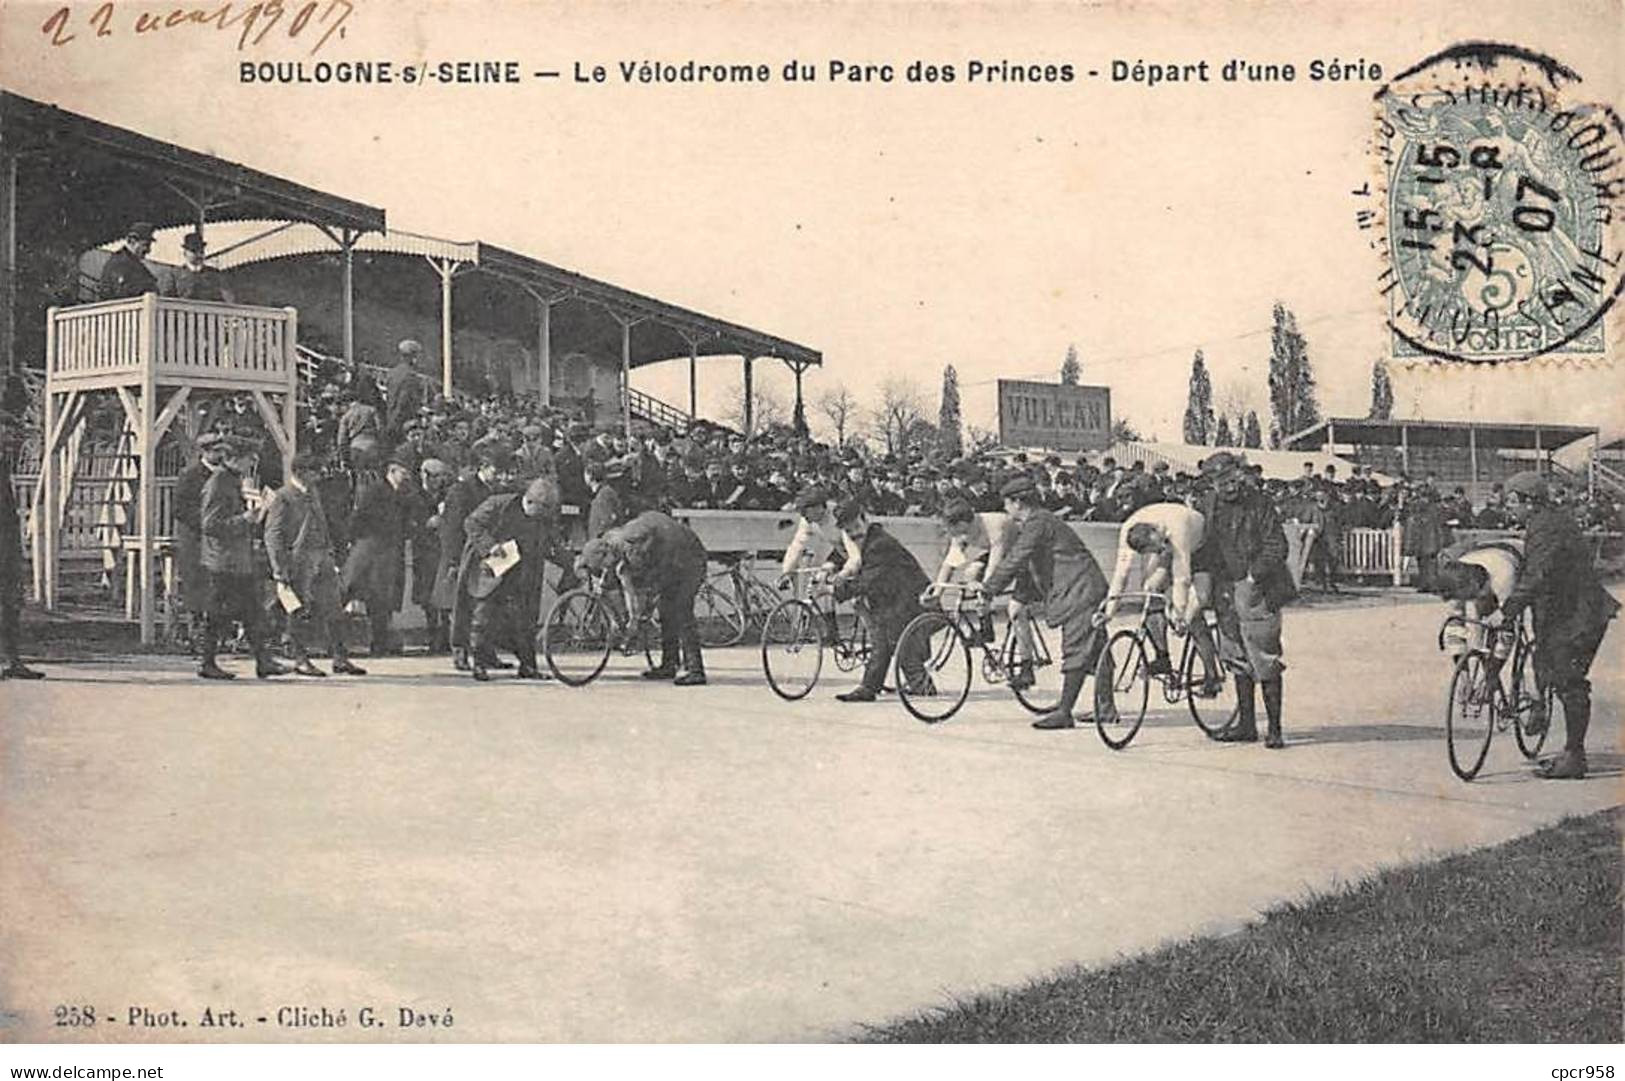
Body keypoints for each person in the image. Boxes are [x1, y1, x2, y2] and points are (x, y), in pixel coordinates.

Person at [1495, 470, 1620, 780]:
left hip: (1579, 616)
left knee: (1570, 681)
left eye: (1512, 502)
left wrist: (1508, 610)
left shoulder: (1547, 527)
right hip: (1563, 613)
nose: (1509, 508)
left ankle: (1575, 757)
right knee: (1547, 663)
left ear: (1529, 501)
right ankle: (1540, 712)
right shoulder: (1545, 521)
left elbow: (1539, 574)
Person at [980, 475, 1109, 730]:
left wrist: (989, 588)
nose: (1005, 509)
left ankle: (1064, 711)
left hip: (1078, 590)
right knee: (1097, 650)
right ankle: (1106, 709)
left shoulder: (1037, 522)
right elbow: (1026, 564)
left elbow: (1017, 557)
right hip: (1084, 586)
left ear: (1017, 502)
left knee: (1076, 650)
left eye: (1007, 503)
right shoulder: (1040, 522)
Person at [1198, 452, 1294, 748]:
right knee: (1235, 656)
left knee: (1264, 658)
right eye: (1221, 482)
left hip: (1259, 588)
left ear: (1240, 474)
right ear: (1212, 484)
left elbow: (1277, 546)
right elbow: (1203, 547)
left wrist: (1253, 578)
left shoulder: (1260, 503)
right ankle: (1247, 725)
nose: (1229, 487)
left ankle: (1275, 729)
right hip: (1225, 588)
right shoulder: (1209, 505)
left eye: (1232, 479)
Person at [263, 451, 367, 677]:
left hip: (322, 557)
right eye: (315, 472)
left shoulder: (314, 493)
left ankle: (340, 658)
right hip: (298, 560)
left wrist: (331, 551)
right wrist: (279, 568)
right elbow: (273, 535)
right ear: (300, 472)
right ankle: (300, 658)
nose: (319, 476)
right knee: (297, 609)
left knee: (334, 607)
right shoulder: (283, 497)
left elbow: (322, 524)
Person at [579, 509, 709, 686]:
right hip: (673, 557)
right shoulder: (615, 541)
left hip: (689, 560)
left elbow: (640, 590)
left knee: (681, 612)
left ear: (606, 554)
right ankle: (669, 664)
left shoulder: (632, 548)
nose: (605, 569)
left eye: (603, 565)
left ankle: (696, 670)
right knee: (666, 613)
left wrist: (637, 621)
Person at [1101, 500, 1219, 692]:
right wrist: (1109, 612)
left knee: (1195, 608)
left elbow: (1182, 577)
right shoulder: (1128, 531)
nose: (1155, 552)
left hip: (1201, 544)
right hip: (1167, 541)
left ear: (1155, 533)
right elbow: (1120, 576)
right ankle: (1162, 656)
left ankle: (1211, 674)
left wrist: (1182, 613)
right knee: (1150, 589)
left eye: (1155, 548)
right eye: (1150, 552)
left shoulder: (1176, 529)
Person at [460, 477, 572, 680]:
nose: (542, 519)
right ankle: (479, 664)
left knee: (526, 619)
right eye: (539, 513)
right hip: (495, 565)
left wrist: (570, 561)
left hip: (525, 571)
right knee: (484, 616)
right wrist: (490, 546)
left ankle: (528, 666)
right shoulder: (499, 503)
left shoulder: (544, 515)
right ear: (528, 501)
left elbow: (551, 544)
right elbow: (471, 523)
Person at [197, 437, 288, 679]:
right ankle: (208, 662)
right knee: (219, 612)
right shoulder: (218, 483)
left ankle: (262, 660)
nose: (252, 462)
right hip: (223, 560)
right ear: (234, 458)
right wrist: (245, 519)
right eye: (249, 457)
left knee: (252, 611)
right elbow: (209, 524)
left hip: (235, 559)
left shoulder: (230, 480)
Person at [828, 501, 932, 702]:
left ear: (865, 519)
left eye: (856, 527)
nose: (854, 534)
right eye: (849, 531)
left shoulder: (879, 544)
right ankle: (921, 685)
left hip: (909, 600)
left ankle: (870, 688)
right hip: (897, 599)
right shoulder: (869, 540)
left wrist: (833, 589)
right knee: (894, 644)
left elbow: (868, 580)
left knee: (886, 640)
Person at [342, 442, 410, 656]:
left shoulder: (402, 493)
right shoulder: (375, 491)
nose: (406, 476)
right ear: (391, 470)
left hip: (389, 551)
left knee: (382, 598)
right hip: (370, 548)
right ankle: (332, 639)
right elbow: (358, 518)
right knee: (349, 591)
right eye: (403, 472)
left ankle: (380, 642)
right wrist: (355, 541)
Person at [172, 431, 231, 653]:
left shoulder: (226, 475)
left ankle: (219, 636)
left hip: (219, 540)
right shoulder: (191, 475)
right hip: (195, 538)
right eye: (217, 451)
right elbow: (180, 508)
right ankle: (195, 634)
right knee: (196, 584)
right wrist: (207, 522)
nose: (221, 455)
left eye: (223, 451)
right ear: (205, 452)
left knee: (219, 585)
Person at [0, 378, 44, 679]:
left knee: (11, 603)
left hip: (7, 547)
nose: (13, 436)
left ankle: (12, 659)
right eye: (8, 430)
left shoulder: (4, 466)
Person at [164, 231, 236, 303]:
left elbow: (227, 298)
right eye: (194, 251)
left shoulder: (214, 275)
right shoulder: (175, 275)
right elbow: (167, 299)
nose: (198, 255)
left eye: (201, 251)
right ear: (185, 253)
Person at [99, 222, 159, 300]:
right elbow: (122, 294)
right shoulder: (119, 263)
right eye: (145, 245)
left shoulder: (135, 265)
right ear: (132, 241)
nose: (148, 250)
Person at [384, 340, 426, 444]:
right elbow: (404, 401)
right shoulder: (411, 376)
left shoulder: (391, 373)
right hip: (404, 423)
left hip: (390, 419)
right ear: (413, 357)